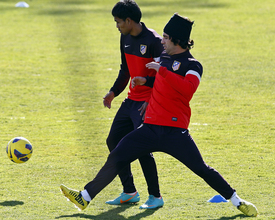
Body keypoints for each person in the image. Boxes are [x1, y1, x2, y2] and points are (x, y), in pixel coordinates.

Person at [60, 13, 258, 217]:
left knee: (202, 169)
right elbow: (163, 83)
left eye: (165, 37)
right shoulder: (163, 59)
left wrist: (161, 71)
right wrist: (147, 82)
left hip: (175, 132)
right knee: (117, 155)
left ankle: (237, 201)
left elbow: (187, 89)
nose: (161, 41)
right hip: (150, 128)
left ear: (176, 40)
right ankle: (85, 197)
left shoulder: (193, 65)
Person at [101, 0, 164, 209]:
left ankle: (155, 196)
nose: (116, 25)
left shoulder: (154, 41)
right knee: (113, 141)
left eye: (118, 22)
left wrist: (152, 101)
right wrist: (113, 92)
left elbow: (164, 78)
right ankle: (129, 191)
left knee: (142, 148)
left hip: (147, 103)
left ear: (129, 20)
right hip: (131, 101)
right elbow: (125, 70)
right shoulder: (124, 37)